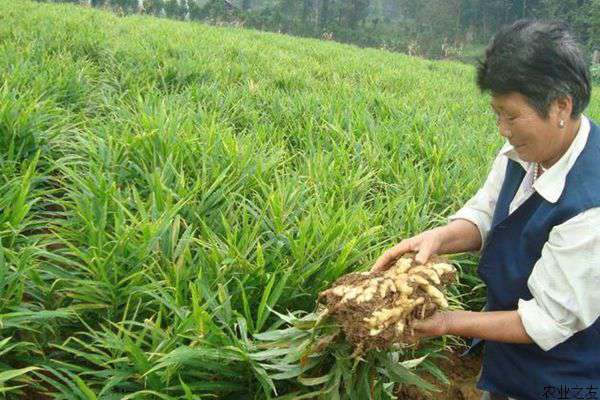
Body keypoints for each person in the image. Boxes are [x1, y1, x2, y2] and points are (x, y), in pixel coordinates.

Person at [371, 20, 599, 400]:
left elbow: (546, 320)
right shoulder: (526, 150)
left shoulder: (592, 206)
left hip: (565, 376)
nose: (502, 130)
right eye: (497, 114)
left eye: (511, 116)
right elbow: (487, 211)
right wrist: (438, 238)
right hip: (506, 351)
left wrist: (445, 323)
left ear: (562, 105)